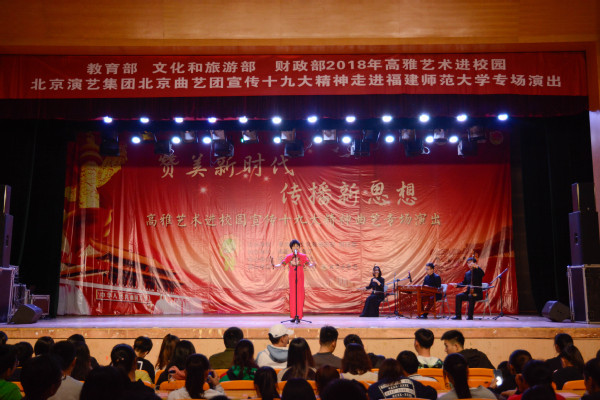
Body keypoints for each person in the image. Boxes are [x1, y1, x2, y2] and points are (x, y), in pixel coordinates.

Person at [271, 239, 316, 323]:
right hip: (292, 277)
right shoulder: (288, 257)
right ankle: (293, 316)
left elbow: (308, 264)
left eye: (297, 246)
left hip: (300, 276)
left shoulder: (303, 256)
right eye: (294, 246)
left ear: (299, 247)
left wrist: (312, 265)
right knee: (293, 296)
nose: (296, 248)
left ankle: (299, 315)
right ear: (291, 248)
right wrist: (274, 265)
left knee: (299, 295)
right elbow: (282, 264)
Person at [368, 358, 437, 400]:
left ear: (381, 372)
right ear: (400, 370)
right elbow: (433, 393)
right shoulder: (413, 384)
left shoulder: (374, 388)